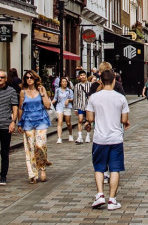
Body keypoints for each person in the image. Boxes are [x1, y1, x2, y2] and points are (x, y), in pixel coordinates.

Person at [85, 69, 129, 211]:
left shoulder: (94, 98)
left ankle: (99, 195)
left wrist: (88, 123)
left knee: (99, 167)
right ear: (114, 80)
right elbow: (124, 120)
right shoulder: (121, 98)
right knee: (115, 169)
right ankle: (112, 200)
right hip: (115, 138)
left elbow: (90, 119)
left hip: (100, 138)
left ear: (101, 81)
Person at [14, 70, 52, 183]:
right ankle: (32, 174)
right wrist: (19, 123)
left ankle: (42, 167)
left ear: (35, 79)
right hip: (28, 121)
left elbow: (48, 105)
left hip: (41, 120)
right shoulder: (23, 92)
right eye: (27, 77)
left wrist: (43, 94)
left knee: (40, 144)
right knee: (30, 147)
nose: (29, 79)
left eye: (31, 77)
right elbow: (20, 108)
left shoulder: (41, 89)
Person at [73, 71, 94, 143]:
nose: (82, 76)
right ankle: (80, 136)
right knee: (80, 120)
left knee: (88, 121)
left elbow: (93, 95)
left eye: (83, 75)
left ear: (86, 76)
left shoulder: (90, 84)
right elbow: (75, 97)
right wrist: (75, 108)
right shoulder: (77, 86)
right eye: (81, 75)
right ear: (79, 77)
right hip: (80, 105)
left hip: (88, 105)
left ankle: (88, 135)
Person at [54, 77, 75, 141]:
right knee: (59, 122)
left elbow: (72, 99)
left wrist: (68, 100)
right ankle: (59, 138)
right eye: (63, 82)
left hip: (67, 107)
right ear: (60, 83)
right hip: (59, 106)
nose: (64, 83)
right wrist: (50, 103)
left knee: (68, 123)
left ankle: (70, 134)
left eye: (65, 82)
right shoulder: (57, 90)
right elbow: (55, 98)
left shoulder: (69, 90)